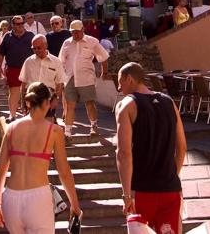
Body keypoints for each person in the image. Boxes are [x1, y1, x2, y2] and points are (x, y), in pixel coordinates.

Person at [0, 82, 81, 233]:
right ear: (47, 102)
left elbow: (0, 171)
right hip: (38, 197)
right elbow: (64, 172)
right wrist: (75, 205)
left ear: (28, 102)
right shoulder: (54, 131)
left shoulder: (11, 128)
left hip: (11, 198)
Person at [115, 62, 187, 234]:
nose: (119, 87)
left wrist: (126, 195)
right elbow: (182, 147)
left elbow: (124, 153)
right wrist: (171, 175)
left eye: (120, 82)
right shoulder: (169, 102)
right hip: (170, 189)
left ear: (129, 79)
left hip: (142, 190)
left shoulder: (126, 105)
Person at [59, 19, 109, 140]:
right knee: (70, 105)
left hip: (86, 78)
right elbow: (60, 61)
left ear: (82, 30)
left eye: (77, 32)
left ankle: (93, 125)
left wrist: (104, 72)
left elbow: (103, 57)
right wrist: (60, 79)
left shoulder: (92, 41)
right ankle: (68, 132)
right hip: (70, 77)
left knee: (90, 103)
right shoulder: (66, 43)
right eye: (72, 32)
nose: (74, 34)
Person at [19, 35, 66, 121]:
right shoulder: (28, 61)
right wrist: (22, 103)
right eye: (34, 48)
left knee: (48, 123)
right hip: (32, 97)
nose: (36, 50)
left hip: (48, 97)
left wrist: (56, 98)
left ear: (46, 46)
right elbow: (23, 83)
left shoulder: (56, 62)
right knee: (32, 125)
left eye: (39, 48)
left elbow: (60, 82)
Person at [0, 15, 34, 122]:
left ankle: (28, 115)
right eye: (18, 24)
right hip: (13, 69)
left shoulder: (30, 35)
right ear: (12, 25)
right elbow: (0, 54)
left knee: (29, 92)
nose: (21, 25)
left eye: (22, 23)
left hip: (28, 68)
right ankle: (12, 115)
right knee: (14, 93)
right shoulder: (7, 37)